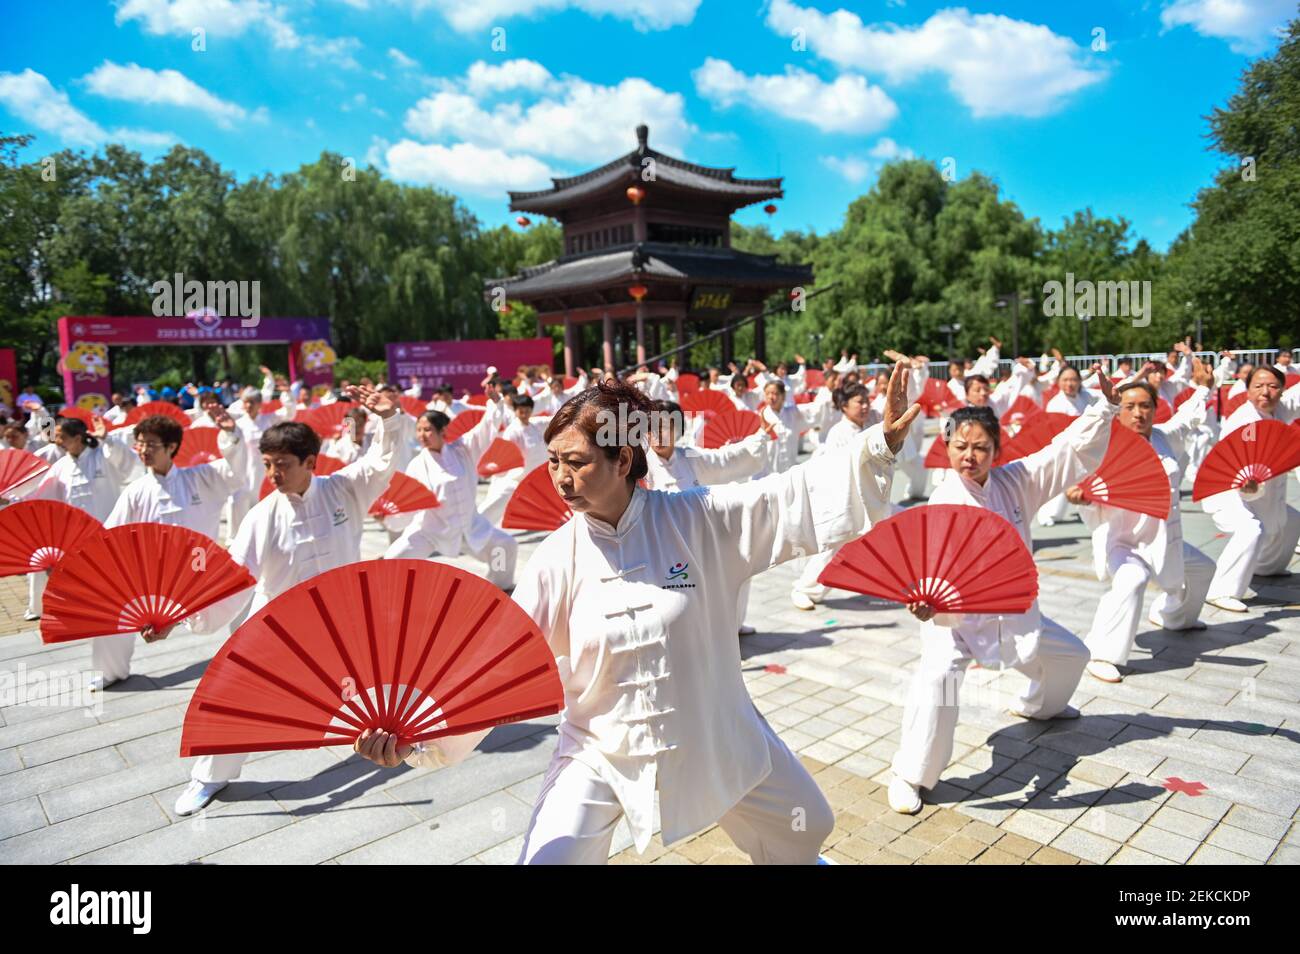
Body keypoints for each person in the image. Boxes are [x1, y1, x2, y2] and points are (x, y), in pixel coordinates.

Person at [353, 367, 921, 864]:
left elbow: (786, 495)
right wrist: (419, 736)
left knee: (807, 827)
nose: (559, 478)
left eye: (575, 462)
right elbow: (497, 662)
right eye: (552, 462)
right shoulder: (556, 558)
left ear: (623, 458)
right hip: (601, 747)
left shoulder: (698, 519)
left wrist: (878, 447)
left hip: (713, 726)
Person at [886, 370, 1119, 816]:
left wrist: (1104, 408)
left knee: (1072, 655)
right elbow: (923, 564)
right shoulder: (944, 500)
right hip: (952, 617)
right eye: (960, 446)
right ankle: (910, 773)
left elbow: (1064, 452)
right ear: (947, 446)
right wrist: (920, 600)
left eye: (980, 448)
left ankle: (1039, 706)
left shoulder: (1015, 481)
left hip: (1011, 612)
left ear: (996, 450)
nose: (969, 456)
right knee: (937, 684)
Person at [167, 384, 402, 816]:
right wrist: (183, 619)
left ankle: (397, 737)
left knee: (376, 679)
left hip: (342, 617)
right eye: (268, 464)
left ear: (310, 463)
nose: (273, 474)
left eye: (283, 465)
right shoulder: (261, 516)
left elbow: (381, 463)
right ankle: (209, 777)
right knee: (236, 693)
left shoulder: (344, 490)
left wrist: (388, 420)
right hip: (278, 623)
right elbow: (233, 579)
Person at [1070, 364, 1216, 683]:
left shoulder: (1165, 437)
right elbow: (1079, 476)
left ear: (1155, 408)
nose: (1138, 413)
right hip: (1123, 541)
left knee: (1203, 568)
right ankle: (1101, 653)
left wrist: (1204, 388)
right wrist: (1081, 494)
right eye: (1129, 407)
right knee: (1132, 579)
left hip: (1164, 538)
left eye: (1145, 406)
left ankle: (1174, 616)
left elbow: (1189, 417)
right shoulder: (1103, 448)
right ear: (1117, 412)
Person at [96, 410, 247, 687]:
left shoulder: (201, 478)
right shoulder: (136, 491)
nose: (143, 450)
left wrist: (230, 435)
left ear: (172, 447)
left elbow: (236, 474)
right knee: (111, 608)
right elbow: (111, 534)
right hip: (152, 577)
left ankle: (250, 655)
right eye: (140, 444)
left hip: (199, 573)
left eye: (151, 444)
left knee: (246, 592)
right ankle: (110, 671)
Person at [383, 398, 518, 591]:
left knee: (505, 546)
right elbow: (408, 503)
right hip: (431, 530)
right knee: (393, 559)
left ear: (443, 431)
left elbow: (486, 428)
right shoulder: (416, 465)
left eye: (427, 429)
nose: (422, 435)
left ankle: (498, 587)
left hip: (470, 526)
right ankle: (391, 595)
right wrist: (388, 519)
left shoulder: (463, 449)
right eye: (419, 430)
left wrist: (495, 403)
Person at [1202, 366, 1300, 611]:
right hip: (1227, 489)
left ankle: (1268, 567)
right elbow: (1230, 461)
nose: (1265, 392)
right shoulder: (1243, 421)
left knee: (1292, 520)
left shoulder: (1280, 409)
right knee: (1250, 529)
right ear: (1247, 391)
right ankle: (1220, 590)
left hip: (1259, 490)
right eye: (1258, 386)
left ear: (1282, 390)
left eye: (1273, 386)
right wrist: (1243, 479)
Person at [28, 417, 137, 636]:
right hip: (76, 537)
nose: (56, 440)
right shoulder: (61, 466)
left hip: (108, 530)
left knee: (115, 579)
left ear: (78, 438)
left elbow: (127, 464)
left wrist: (108, 439)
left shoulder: (103, 456)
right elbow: (41, 497)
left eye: (61, 436)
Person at [791, 382, 880, 611]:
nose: (865, 406)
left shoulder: (870, 422)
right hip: (847, 499)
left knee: (893, 529)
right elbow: (836, 471)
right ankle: (804, 588)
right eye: (859, 402)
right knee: (834, 549)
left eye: (866, 401)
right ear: (844, 406)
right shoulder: (838, 433)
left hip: (871, 497)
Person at [1036, 364, 1100, 526]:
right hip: (1063, 447)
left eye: (1073, 380)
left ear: (1079, 381)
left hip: (1086, 445)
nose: (1069, 384)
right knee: (1060, 481)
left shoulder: (1085, 396)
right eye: (1065, 380)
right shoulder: (1055, 404)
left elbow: (1107, 396)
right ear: (1058, 382)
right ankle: (1048, 514)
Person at [480, 393, 548, 526]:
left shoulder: (535, 424)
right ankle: (474, 527)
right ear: (515, 411)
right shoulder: (512, 431)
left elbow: (553, 419)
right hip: (515, 478)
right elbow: (504, 454)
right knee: (495, 503)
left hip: (535, 476)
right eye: (521, 411)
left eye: (527, 411)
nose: (524, 414)